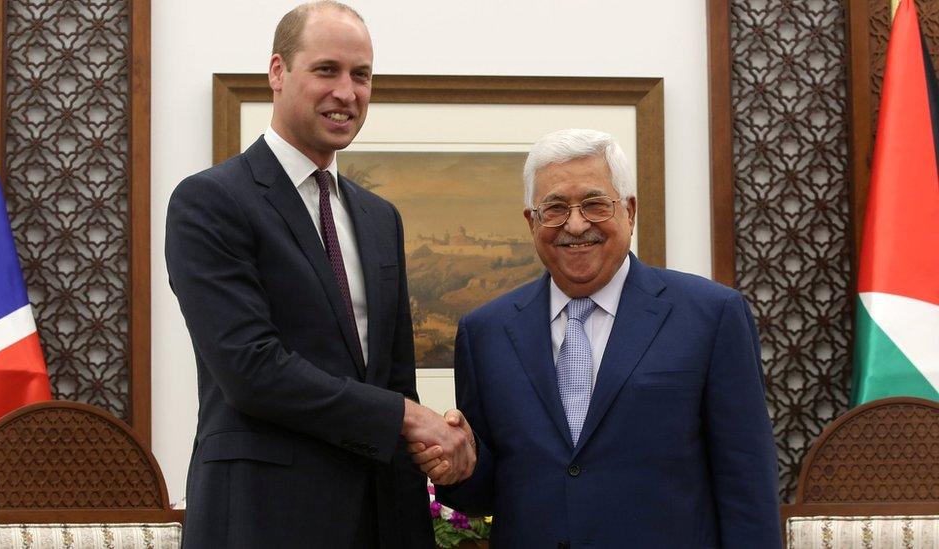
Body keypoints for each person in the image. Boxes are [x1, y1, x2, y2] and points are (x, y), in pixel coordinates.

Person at [165, 2, 473, 547]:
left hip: (382, 520)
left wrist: (438, 444)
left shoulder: (381, 219)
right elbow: (250, 370)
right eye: (327, 70)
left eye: (362, 75)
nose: (348, 92)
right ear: (278, 73)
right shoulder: (210, 201)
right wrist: (406, 417)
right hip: (263, 520)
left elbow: (395, 379)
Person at [430, 129, 781, 547]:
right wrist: (461, 465)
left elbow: (747, 487)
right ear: (532, 221)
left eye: (595, 204)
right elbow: (485, 493)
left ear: (629, 212)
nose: (576, 224)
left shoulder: (712, 316)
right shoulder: (484, 332)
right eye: (555, 208)